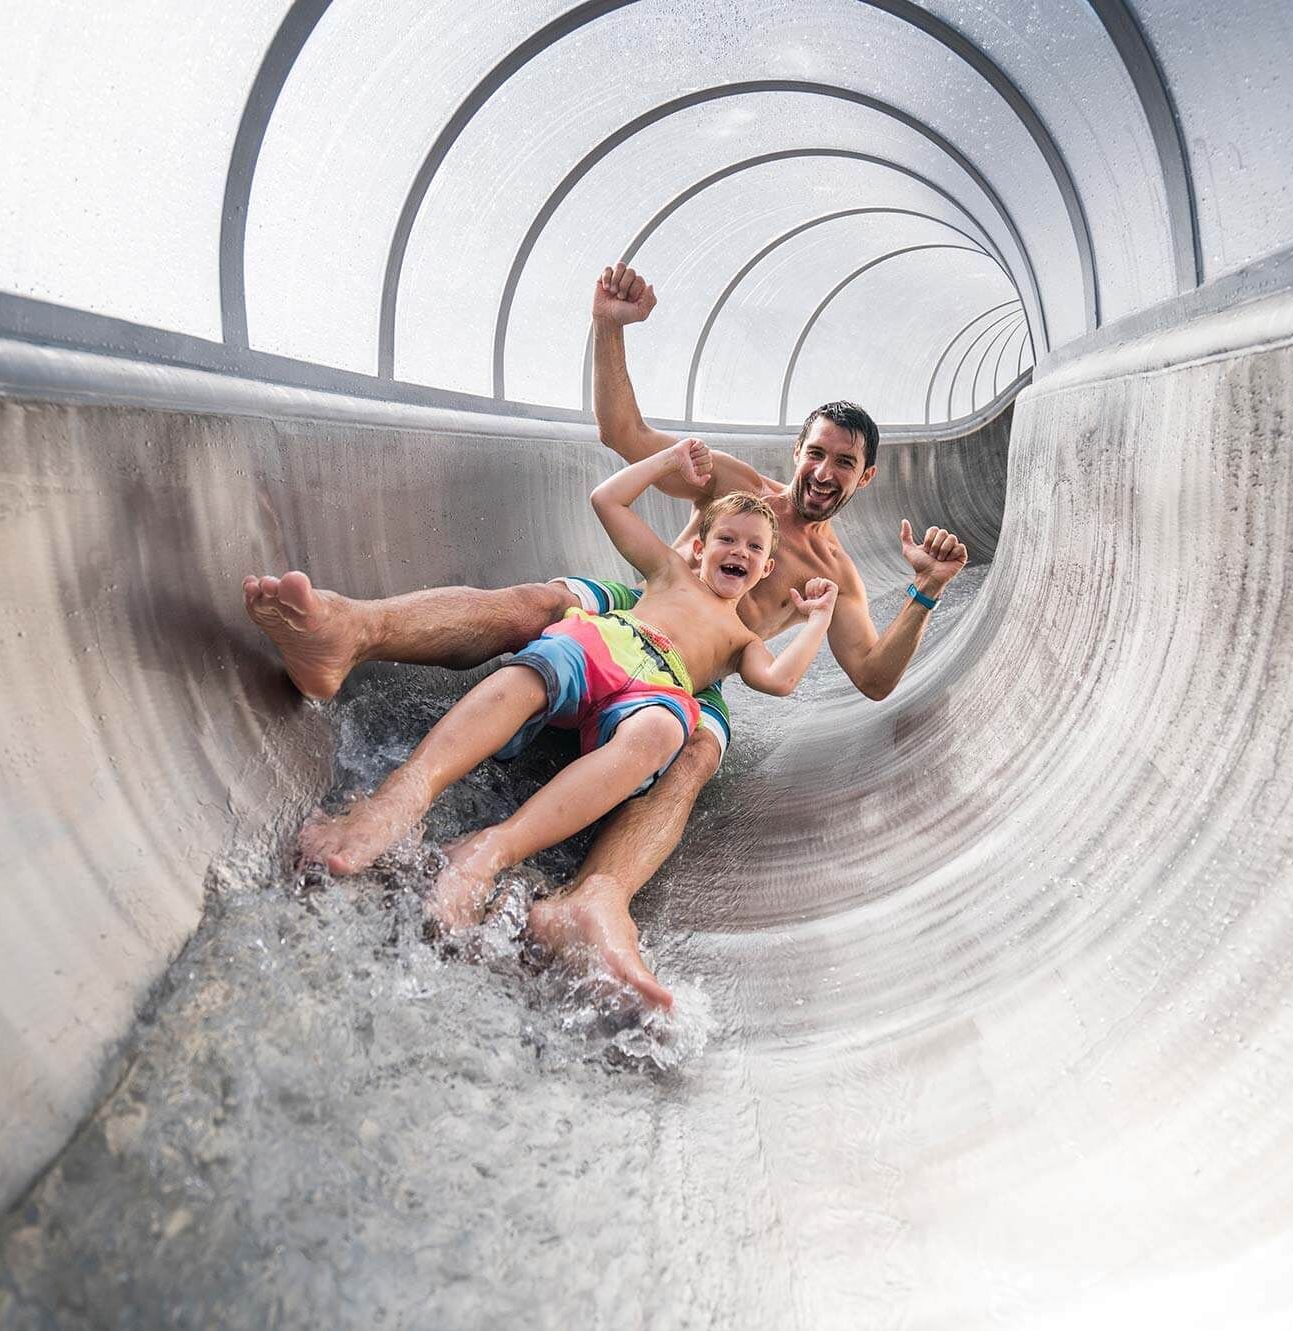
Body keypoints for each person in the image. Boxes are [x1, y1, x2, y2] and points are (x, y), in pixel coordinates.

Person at [243, 259, 970, 1007]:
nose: (824, 471)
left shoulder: (837, 574)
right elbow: (621, 434)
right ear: (797, 450)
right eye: (816, 452)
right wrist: (608, 327)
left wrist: (924, 590)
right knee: (538, 603)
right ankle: (351, 631)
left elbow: (875, 675)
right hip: (640, 602)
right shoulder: (732, 487)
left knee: (691, 754)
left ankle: (596, 899)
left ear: (867, 478)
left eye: (844, 463)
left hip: (698, 673)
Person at [295, 438, 837, 929]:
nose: (739, 552)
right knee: (546, 663)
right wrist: (663, 463)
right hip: (612, 639)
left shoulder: (742, 639)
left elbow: (780, 680)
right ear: (700, 546)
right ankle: (404, 796)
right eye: (727, 539)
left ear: (767, 570)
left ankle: (491, 850)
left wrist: (816, 621)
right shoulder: (670, 572)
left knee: (660, 736)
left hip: (662, 687)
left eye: (753, 549)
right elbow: (608, 501)